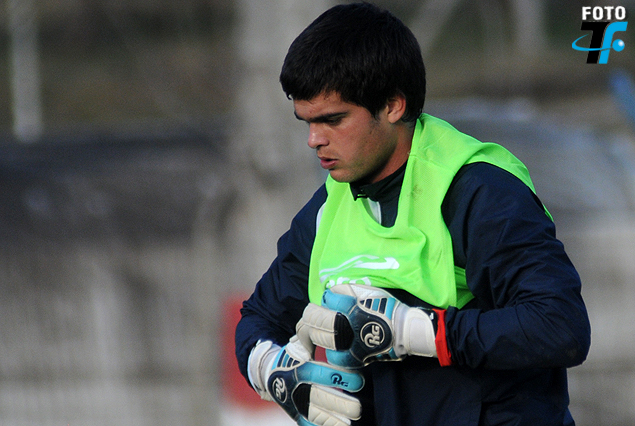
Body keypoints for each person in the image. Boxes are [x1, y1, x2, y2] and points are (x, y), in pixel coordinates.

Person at [235, 3, 591, 426]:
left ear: (393, 105)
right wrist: (271, 369)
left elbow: (561, 326)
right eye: (306, 122)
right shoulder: (328, 207)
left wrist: (416, 331)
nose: (314, 139)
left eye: (333, 120)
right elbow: (257, 318)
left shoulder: (478, 191)